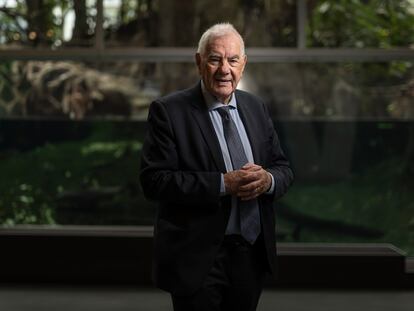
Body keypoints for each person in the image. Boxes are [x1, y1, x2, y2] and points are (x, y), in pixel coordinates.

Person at [140, 23, 293, 311]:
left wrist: (268, 180)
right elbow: (154, 180)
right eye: (215, 59)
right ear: (199, 62)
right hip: (198, 258)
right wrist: (224, 184)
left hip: (250, 255)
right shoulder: (169, 111)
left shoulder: (255, 107)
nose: (225, 69)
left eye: (233, 60)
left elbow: (283, 167)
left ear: (243, 64)